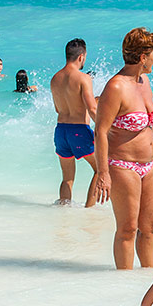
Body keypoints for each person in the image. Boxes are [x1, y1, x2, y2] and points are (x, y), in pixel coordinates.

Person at [94, 27, 153, 270]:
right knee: (128, 229)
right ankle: (123, 285)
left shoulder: (143, 81)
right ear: (143, 57)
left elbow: (150, 120)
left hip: (148, 165)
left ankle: (148, 279)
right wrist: (103, 173)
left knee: (150, 225)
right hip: (122, 165)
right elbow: (100, 131)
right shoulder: (116, 87)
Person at [50, 38, 98, 208]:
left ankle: (63, 212)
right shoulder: (83, 78)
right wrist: (104, 129)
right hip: (79, 130)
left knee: (67, 178)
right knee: (100, 170)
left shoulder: (55, 79)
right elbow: (92, 109)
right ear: (81, 57)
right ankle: (89, 211)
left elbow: (58, 109)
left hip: (61, 131)